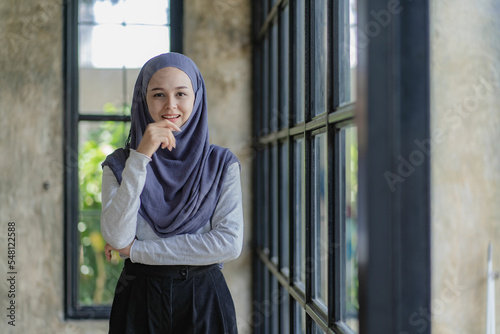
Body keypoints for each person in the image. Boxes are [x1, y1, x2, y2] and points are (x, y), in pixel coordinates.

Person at [100, 52, 243, 334]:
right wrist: (140, 158)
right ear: (143, 99)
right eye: (158, 95)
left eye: (181, 93)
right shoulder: (119, 165)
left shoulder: (221, 164)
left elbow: (228, 244)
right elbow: (117, 237)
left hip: (205, 301)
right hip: (138, 299)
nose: (171, 105)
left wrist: (138, 250)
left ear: (196, 98)